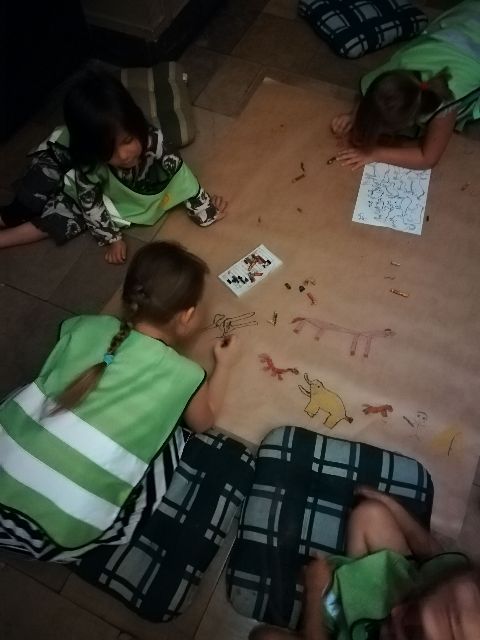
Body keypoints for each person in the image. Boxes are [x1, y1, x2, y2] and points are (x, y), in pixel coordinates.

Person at [0, 241, 240, 560]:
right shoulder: (186, 374)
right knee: (173, 436)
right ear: (188, 316)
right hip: (57, 536)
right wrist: (225, 366)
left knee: (35, 391)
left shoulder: (83, 325)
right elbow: (204, 422)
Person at [0, 68, 227, 263]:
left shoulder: (153, 139)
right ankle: (10, 215)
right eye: (109, 150)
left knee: (63, 220)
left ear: (136, 124)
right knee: (29, 200)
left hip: (92, 182)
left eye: (127, 140)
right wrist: (112, 238)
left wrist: (203, 208)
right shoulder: (90, 161)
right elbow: (90, 203)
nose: (124, 155)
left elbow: (179, 172)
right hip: (60, 156)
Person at [249, 487, 480, 640]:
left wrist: (315, 592)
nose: (395, 611)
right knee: (371, 513)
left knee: (263, 637)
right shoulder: (456, 580)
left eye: (412, 633)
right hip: (393, 582)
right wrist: (389, 503)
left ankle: (334, 606)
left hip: (346, 630)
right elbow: (430, 550)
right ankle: (350, 579)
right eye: (413, 607)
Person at [331, 0, 480, 170]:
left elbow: (427, 158)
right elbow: (370, 97)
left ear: (410, 121)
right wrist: (353, 116)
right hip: (465, 20)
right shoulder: (397, 69)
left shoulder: (446, 104)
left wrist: (374, 153)